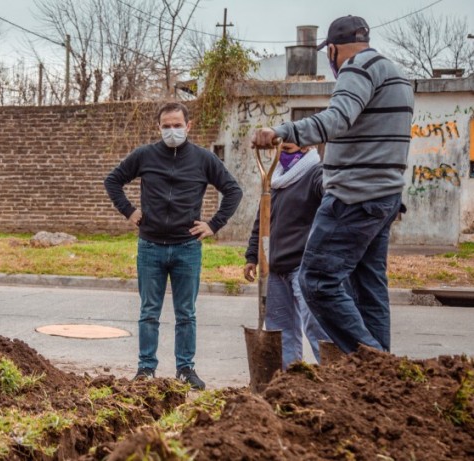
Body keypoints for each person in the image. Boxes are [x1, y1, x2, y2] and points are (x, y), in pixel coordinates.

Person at [251, 15, 413, 354]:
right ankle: (381, 378)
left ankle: (372, 363)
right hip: (384, 198)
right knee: (368, 289)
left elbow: (337, 118)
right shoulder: (396, 74)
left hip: (353, 196)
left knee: (317, 281)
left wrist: (284, 131)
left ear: (334, 49)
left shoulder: (357, 68)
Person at [104, 102, 243, 389]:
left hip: (187, 247)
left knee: (186, 314)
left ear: (188, 126)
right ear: (159, 127)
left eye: (177, 125)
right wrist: (130, 211)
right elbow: (113, 181)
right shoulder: (145, 155)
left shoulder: (203, 159)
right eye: (166, 126)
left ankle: (185, 369)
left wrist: (213, 224)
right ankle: (145, 369)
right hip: (151, 246)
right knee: (148, 312)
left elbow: (233, 190)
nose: (172, 131)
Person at [243, 142, 330, 369]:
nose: (283, 155)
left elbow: (331, 202)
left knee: (317, 325)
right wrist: (252, 255)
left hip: (304, 265)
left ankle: (334, 375)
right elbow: (261, 220)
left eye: (289, 150)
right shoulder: (275, 179)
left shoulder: (315, 175)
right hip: (274, 266)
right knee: (280, 330)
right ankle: (289, 378)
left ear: (307, 147)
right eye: (281, 150)